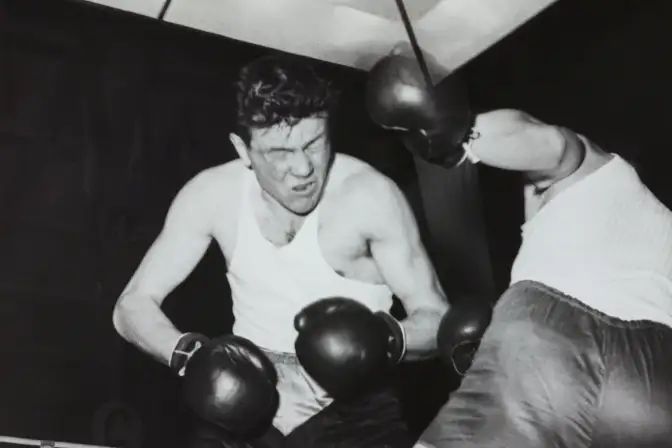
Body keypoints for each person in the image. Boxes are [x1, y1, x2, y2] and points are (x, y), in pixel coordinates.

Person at [112, 54, 454, 448]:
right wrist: (189, 355)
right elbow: (132, 305)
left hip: (355, 411)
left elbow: (438, 320)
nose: (304, 169)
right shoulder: (211, 196)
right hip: (247, 401)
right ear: (244, 150)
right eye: (279, 153)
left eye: (313, 144)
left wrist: (383, 339)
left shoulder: (370, 197)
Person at [366, 51, 672, 448]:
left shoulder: (607, 175)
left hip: (556, 340)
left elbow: (549, 145)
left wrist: (454, 135)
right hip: (653, 393)